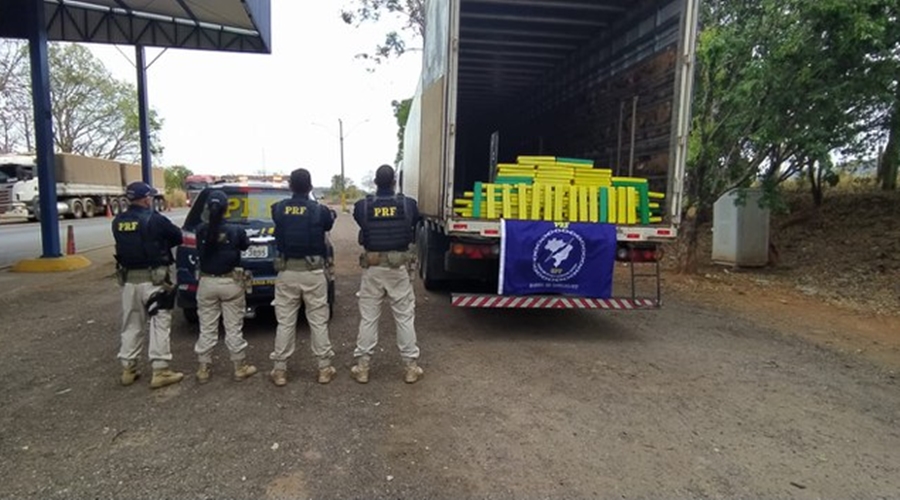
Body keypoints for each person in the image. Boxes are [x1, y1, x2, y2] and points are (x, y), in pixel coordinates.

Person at [351, 164, 423, 384]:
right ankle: (410, 367)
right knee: (404, 318)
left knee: (369, 318)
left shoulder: (362, 206)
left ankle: (363, 367)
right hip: (398, 269)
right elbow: (415, 221)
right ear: (394, 182)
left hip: (373, 269)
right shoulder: (408, 204)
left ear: (375, 182)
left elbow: (361, 223)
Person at [112, 181, 184, 389]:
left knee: (131, 324)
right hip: (155, 281)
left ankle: (128, 369)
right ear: (145, 199)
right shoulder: (155, 219)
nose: (151, 200)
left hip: (129, 282)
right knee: (160, 322)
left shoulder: (117, 221)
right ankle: (160, 370)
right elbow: (177, 236)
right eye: (149, 197)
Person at [269, 168, 337, 386]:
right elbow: (328, 224)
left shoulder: (278, 209)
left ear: (290, 186)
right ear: (310, 187)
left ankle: (280, 370)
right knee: (318, 320)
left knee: (285, 322)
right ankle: (324, 368)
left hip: (287, 273)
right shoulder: (319, 210)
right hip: (313, 273)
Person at [193, 190, 258, 384]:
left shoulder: (200, 230)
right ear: (226, 209)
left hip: (206, 283)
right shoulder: (235, 230)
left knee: (207, 328)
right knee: (233, 327)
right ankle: (239, 367)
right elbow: (245, 245)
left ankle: (203, 368)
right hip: (231, 283)